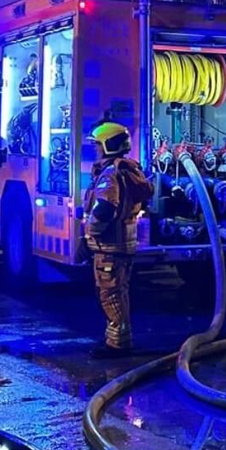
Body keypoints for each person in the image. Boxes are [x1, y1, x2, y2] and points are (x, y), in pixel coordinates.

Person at [82, 121, 153, 354]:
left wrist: (89, 233)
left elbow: (105, 208)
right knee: (118, 292)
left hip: (109, 246)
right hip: (122, 244)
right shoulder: (128, 169)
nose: (96, 150)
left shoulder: (110, 175)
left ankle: (117, 346)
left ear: (109, 146)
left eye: (98, 146)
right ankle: (118, 340)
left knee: (110, 294)